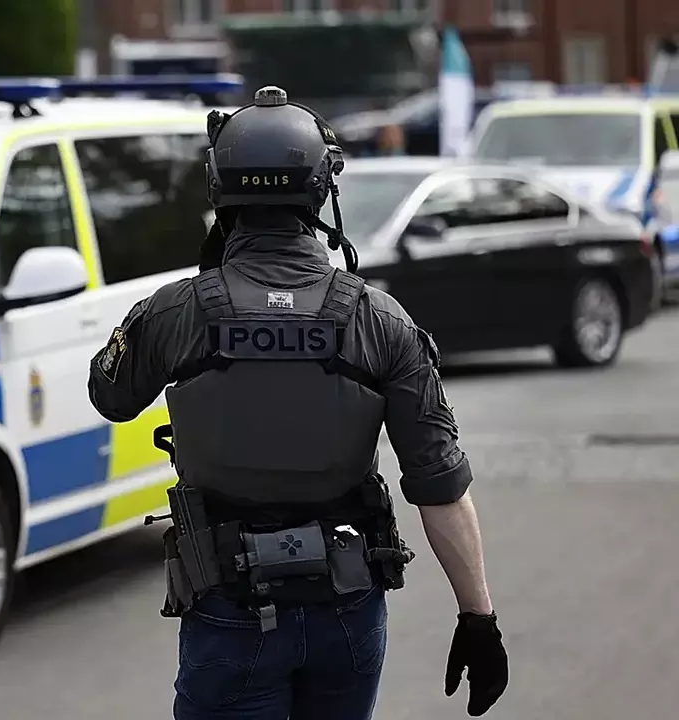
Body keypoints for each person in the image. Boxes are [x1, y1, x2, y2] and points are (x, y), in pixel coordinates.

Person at [87, 86, 508, 719]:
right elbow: (440, 485)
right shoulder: (379, 320)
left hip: (228, 608)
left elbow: (110, 396)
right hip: (347, 609)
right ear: (321, 191)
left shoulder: (176, 312)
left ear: (218, 187)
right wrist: (478, 618)